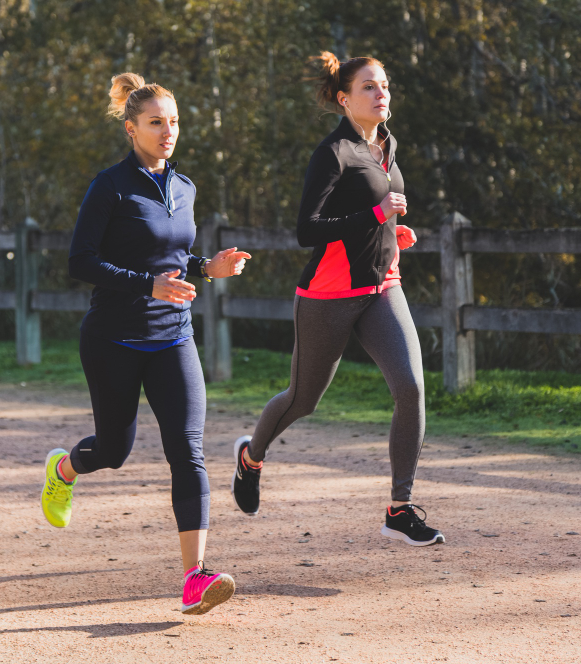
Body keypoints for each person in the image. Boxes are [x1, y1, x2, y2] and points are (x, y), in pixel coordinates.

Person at [41, 72, 251, 615]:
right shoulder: (110, 186)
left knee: (188, 450)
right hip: (113, 338)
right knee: (114, 451)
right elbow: (80, 261)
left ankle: (195, 577)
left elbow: (174, 259)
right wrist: (146, 285)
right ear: (131, 129)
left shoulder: (185, 188)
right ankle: (64, 470)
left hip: (173, 336)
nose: (168, 131)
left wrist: (207, 267)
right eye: (156, 122)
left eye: (174, 121)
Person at [230, 53, 444, 547]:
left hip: (383, 287)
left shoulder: (387, 144)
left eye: (384, 84)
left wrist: (392, 233)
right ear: (345, 99)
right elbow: (308, 230)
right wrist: (375, 217)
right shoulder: (333, 153)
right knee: (303, 400)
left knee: (411, 387)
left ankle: (400, 508)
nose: (380, 93)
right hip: (329, 295)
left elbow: (376, 212)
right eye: (369, 86)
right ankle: (251, 457)